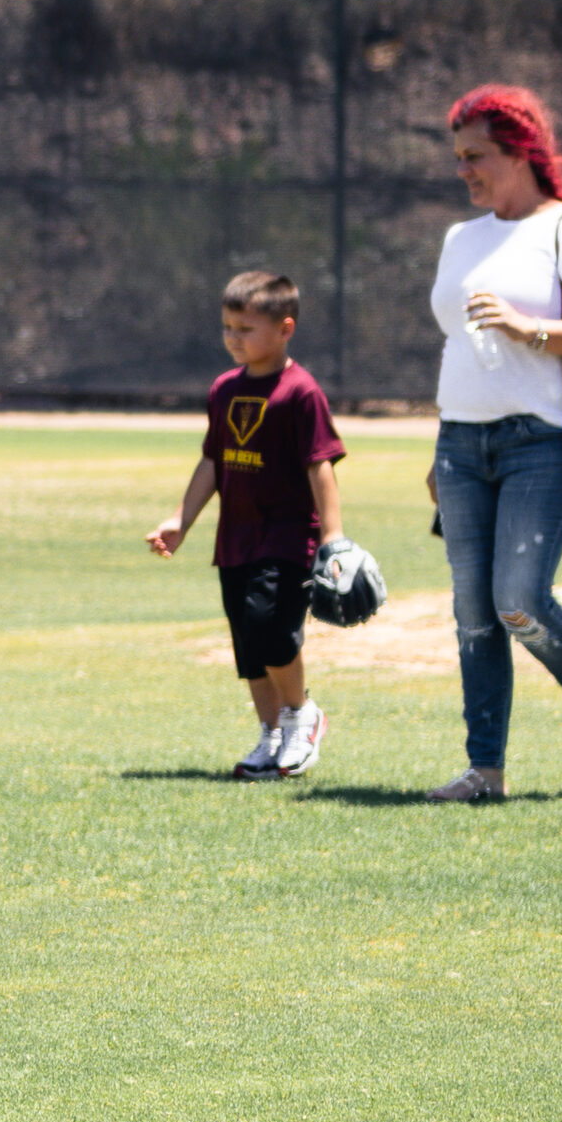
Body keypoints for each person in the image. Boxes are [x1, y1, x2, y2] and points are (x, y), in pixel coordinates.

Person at [423, 85, 562, 803]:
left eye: (475, 155)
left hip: (542, 442)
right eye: (458, 158)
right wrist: (440, 445)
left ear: (520, 151)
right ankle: (486, 769)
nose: (465, 171)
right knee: (472, 612)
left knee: (518, 599)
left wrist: (528, 328)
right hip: (461, 441)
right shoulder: (461, 238)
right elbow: (458, 346)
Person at [145, 271, 348, 779]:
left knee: (270, 627)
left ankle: (302, 714)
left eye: (246, 328)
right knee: (249, 644)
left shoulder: (301, 391)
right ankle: (272, 735)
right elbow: (213, 461)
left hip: (286, 536)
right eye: (227, 327)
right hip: (234, 538)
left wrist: (333, 538)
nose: (234, 337)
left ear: (285, 328)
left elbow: (319, 464)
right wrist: (181, 520)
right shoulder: (224, 389)